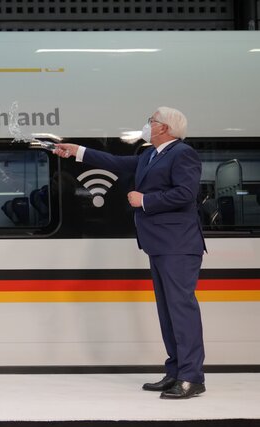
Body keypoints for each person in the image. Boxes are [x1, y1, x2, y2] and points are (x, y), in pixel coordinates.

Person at [54, 107, 206, 400]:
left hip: (179, 245)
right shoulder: (151, 155)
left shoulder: (182, 153)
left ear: (165, 128)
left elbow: (186, 194)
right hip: (159, 244)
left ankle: (192, 377)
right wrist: (77, 151)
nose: (147, 126)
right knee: (167, 312)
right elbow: (116, 162)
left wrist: (144, 199)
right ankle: (175, 371)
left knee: (181, 311)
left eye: (151, 121)